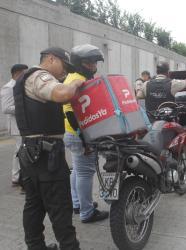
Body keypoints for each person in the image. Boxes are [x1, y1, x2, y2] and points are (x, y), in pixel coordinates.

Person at [14, 47, 82, 250]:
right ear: (51, 59)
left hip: (29, 153)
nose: (67, 72)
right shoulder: (40, 76)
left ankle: (36, 246)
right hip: (47, 157)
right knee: (60, 206)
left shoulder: (24, 78)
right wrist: (77, 82)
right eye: (65, 66)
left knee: (34, 205)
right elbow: (62, 94)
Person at [63, 44, 109, 223]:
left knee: (77, 170)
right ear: (79, 63)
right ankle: (87, 212)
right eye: (89, 63)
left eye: (94, 62)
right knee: (85, 173)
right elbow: (70, 111)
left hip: (73, 133)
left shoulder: (73, 77)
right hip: (79, 134)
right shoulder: (79, 80)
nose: (93, 66)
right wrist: (85, 138)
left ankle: (77, 203)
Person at [1, 64, 28, 187]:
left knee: (20, 150)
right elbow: (6, 108)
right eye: (23, 73)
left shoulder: (19, 85)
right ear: (17, 74)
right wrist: (24, 107)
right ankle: (16, 177)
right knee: (19, 150)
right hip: (16, 124)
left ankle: (18, 176)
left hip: (22, 123)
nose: (25, 76)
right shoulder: (8, 87)